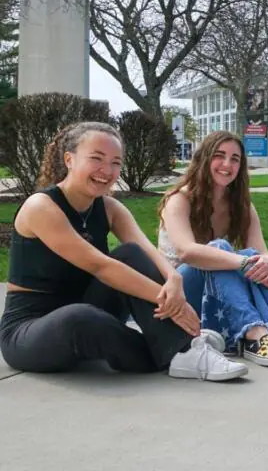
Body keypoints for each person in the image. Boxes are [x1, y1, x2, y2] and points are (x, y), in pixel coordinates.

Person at [0, 122, 247, 381]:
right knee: (79, 317)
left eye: (116, 162)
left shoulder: (109, 207)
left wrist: (173, 279)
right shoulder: (41, 207)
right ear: (69, 159)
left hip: (88, 307)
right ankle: (180, 348)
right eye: (96, 158)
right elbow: (102, 267)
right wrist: (176, 306)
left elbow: (147, 252)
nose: (107, 171)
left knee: (129, 253)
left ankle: (182, 347)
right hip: (30, 330)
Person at [158, 131, 268, 367]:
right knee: (221, 251)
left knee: (255, 259)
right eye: (219, 156)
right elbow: (187, 252)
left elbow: (262, 254)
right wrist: (242, 262)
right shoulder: (180, 199)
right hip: (179, 295)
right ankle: (255, 335)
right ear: (204, 159)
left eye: (235, 159)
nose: (227, 164)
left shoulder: (241, 206)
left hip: (217, 294)